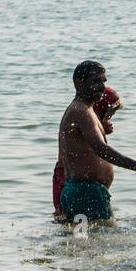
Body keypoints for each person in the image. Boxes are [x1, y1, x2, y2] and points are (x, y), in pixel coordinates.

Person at [58, 61, 136, 222]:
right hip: (85, 194)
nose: (102, 87)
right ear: (79, 82)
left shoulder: (86, 109)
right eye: (96, 81)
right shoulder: (80, 111)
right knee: (88, 243)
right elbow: (101, 149)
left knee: (89, 244)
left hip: (87, 193)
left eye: (104, 81)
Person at [53, 87, 120, 217]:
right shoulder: (81, 114)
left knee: (77, 228)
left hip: (83, 187)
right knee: (80, 228)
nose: (109, 118)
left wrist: (101, 127)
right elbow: (99, 148)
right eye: (109, 114)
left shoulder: (84, 116)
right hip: (79, 186)